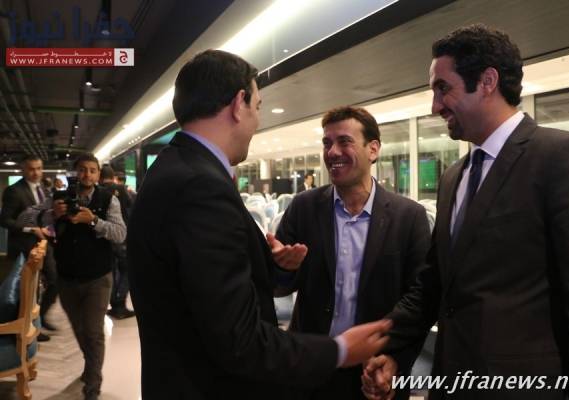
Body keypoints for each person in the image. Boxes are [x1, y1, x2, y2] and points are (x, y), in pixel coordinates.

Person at [127, 49, 391, 400]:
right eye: (258, 106)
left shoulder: (174, 167)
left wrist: (270, 265)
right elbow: (239, 339)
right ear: (239, 104)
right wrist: (340, 350)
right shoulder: (201, 186)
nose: (257, 121)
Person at [361, 24, 569, 400]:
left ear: (487, 81)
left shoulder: (562, 159)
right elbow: (435, 284)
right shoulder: (453, 177)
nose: (435, 106)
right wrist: (390, 347)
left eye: (443, 88)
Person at [269, 106, 430, 400]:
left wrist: (394, 358)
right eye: (327, 143)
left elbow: (420, 298)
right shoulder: (304, 208)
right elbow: (278, 286)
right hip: (312, 365)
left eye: (344, 141)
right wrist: (283, 267)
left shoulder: (409, 217)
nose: (332, 152)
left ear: (373, 149)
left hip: (374, 369)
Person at [20, 153, 126, 400]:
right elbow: (25, 217)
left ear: (98, 174)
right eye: (82, 170)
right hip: (67, 277)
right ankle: (91, 366)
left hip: (98, 278)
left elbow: (120, 233)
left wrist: (95, 221)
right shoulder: (59, 198)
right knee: (79, 329)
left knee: (93, 332)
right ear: (75, 173)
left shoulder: (108, 199)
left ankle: (93, 385)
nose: (87, 174)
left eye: (92, 170)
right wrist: (51, 215)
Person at [0, 155, 57, 340]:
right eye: (31, 169)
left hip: (43, 245)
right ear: (23, 170)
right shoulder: (14, 191)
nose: (36, 172)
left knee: (55, 281)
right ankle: (28, 328)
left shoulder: (43, 189)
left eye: (39, 168)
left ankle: (40, 318)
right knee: (27, 291)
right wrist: (31, 229)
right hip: (23, 247)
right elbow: (5, 220)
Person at [99, 165, 135, 319]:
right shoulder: (121, 189)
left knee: (112, 271)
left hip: (105, 238)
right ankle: (120, 304)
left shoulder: (98, 191)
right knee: (127, 269)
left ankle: (114, 303)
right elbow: (130, 211)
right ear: (113, 177)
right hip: (122, 237)